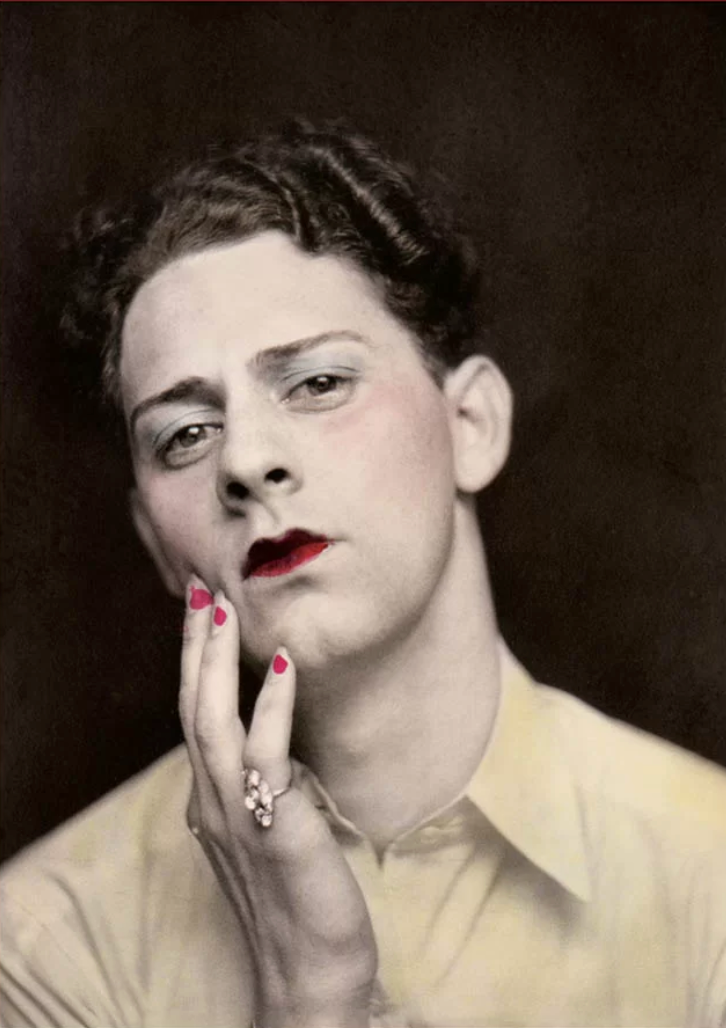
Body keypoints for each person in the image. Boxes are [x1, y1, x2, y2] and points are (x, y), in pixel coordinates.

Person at [1, 121, 724, 1028]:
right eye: (185, 434)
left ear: (471, 425)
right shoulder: (41, 946)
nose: (245, 461)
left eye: (316, 384)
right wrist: (312, 996)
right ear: (156, 542)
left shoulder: (710, 876)